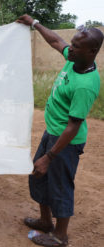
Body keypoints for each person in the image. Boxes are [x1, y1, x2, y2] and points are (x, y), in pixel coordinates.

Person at [16, 15, 103, 246]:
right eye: (72, 44)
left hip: (66, 142)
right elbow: (56, 41)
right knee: (38, 176)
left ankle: (60, 236)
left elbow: (73, 126)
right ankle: (46, 222)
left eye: (75, 46)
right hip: (52, 131)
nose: (69, 48)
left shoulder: (85, 84)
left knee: (61, 186)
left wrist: (50, 156)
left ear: (92, 50)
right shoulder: (75, 59)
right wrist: (34, 23)